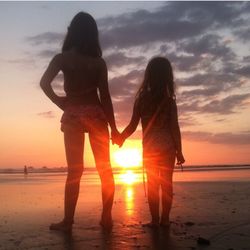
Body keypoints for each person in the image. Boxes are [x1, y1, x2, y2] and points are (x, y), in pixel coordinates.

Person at [40, 12, 119, 231]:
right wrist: (114, 128)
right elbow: (106, 97)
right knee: (105, 168)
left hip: (74, 114)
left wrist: (60, 102)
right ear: (93, 35)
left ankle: (68, 221)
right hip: (95, 114)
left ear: (71, 33)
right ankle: (106, 217)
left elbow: (44, 83)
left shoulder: (62, 58)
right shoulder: (98, 63)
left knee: (75, 170)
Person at [118, 57, 185, 227]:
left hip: (150, 150)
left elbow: (132, 125)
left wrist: (121, 137)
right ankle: (165, 220)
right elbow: (174, 128)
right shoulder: (169, 102)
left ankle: (155, 220)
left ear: (149, 76)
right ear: (167, 78)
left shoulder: (142, 100)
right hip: (168, 148)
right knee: (167, 184)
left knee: (153, 185)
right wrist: (180, 151)